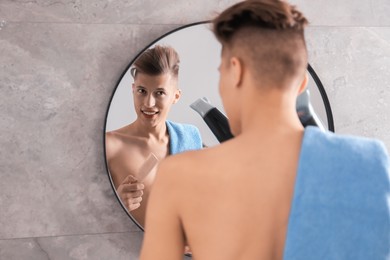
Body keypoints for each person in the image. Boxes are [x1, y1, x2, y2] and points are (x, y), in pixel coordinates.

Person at [140, 1, 390, 259]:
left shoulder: (180, 176)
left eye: (221, 72)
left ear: (236, 71)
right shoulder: (366, 163)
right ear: (302, 82)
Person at [105, 45, 202, 227]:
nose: (149, 103)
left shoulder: (190, 137)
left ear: (176, 96)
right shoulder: (111, 145)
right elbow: (83, 213)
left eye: (159, 93)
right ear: (133, 89)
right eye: (142, 91)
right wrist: (115, 205)